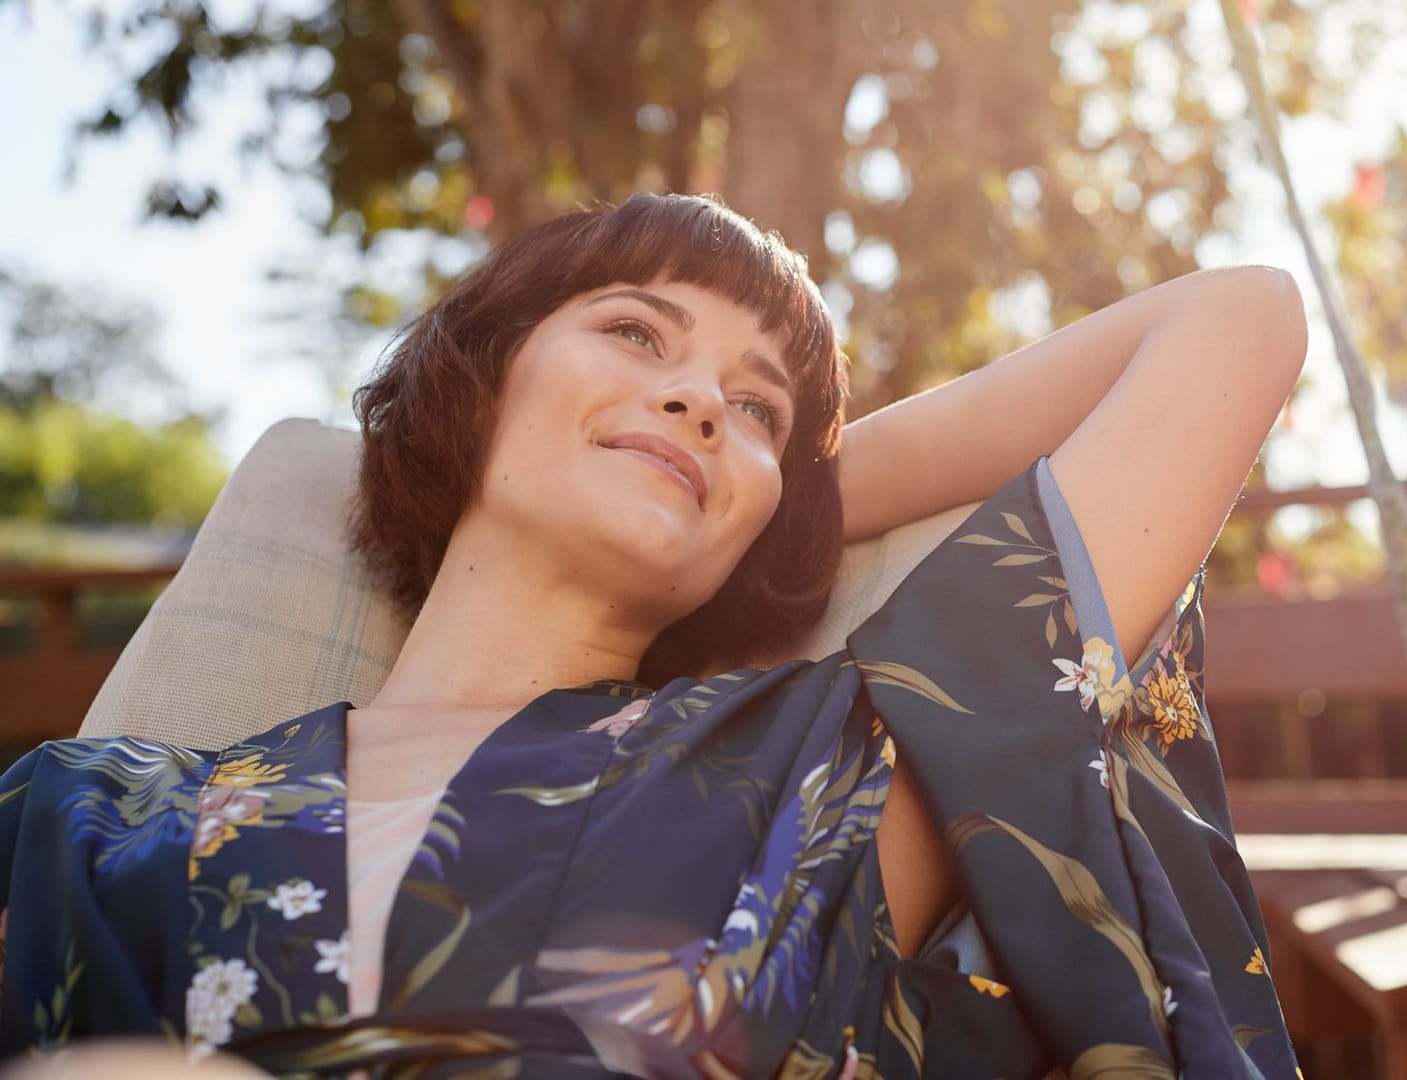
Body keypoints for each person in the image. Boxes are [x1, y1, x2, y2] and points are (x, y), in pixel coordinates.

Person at [0, 193, 1308, 1077]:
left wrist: (784, 498)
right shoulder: (86, 814)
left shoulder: (821, 767)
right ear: (484, 372)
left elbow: (1232, 321)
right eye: (635, 332)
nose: (696, 397)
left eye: (755, 406)